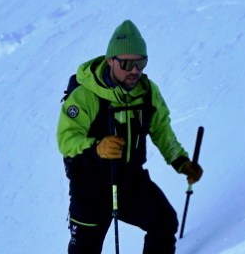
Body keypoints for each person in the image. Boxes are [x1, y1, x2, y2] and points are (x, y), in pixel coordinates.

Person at [57, 20, 203, 254]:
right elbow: (67, 140)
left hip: (129, 179)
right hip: (90, 186)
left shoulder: (147, 92)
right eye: (126, 64)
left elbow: (161, 130)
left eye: (140, 63)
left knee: (164, 222)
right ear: (110, 61)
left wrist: (181, 161)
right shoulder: (85, 95)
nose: (135, 70)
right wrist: (97, 148)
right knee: (85, 249)